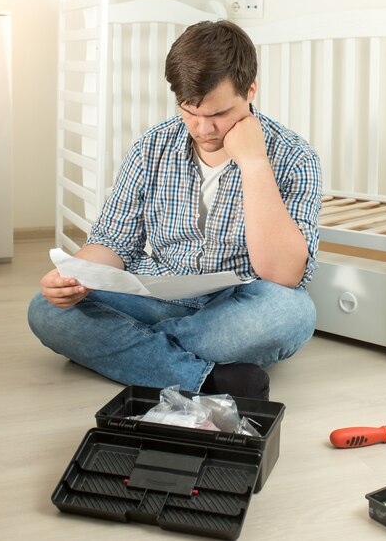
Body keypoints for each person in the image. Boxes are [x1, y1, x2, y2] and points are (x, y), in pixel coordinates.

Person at [28, 20, 322, 400]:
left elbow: (283, 273)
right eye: (189, 112)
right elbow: (113, 243)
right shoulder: (152, 146)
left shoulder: (295, 157)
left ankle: (135, 353)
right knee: (46, 310)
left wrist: (253, 164)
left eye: (219, 113)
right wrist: (76, 279)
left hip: (236, 306)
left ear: (250, 90)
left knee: (290, 315)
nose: (203, 128)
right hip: (155, 297)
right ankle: (209, 378)